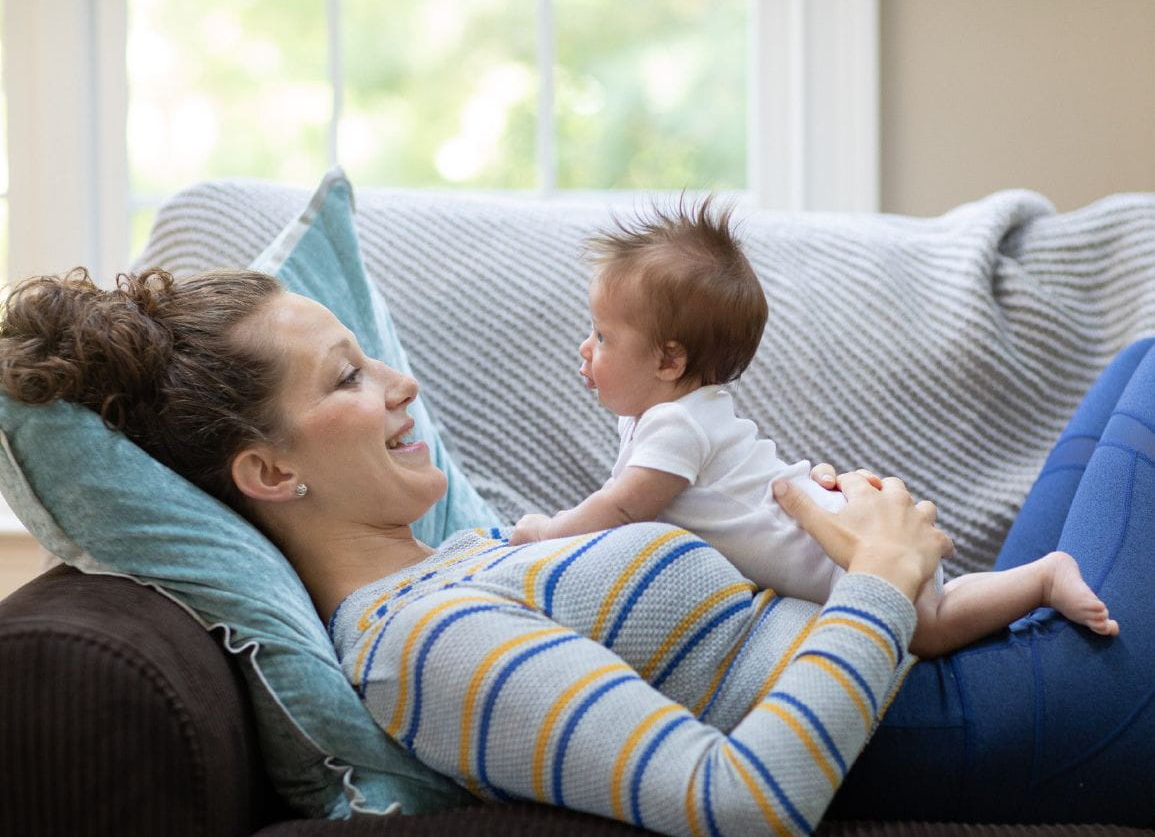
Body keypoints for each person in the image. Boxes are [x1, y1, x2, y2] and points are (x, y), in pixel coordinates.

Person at [2, 266, 1153, 832]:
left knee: (1132, 361)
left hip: (971, 663)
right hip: (993, 727)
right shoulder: (425, 648)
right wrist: (878, 579)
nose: (402, 385)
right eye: (349, 378)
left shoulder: (464, 558)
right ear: (269, 473)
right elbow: (740, 801)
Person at [508, 200, 1117, 657]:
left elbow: (619, 512)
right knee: (938, 610)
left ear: (670, 360)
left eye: (604, 337)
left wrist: (547, 532)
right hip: (838, 530)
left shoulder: (675, 425)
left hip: (840, 553)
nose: (586, 349)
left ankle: (1040, 578)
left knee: (928, 628)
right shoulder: (675, 415)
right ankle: (1030, 580)